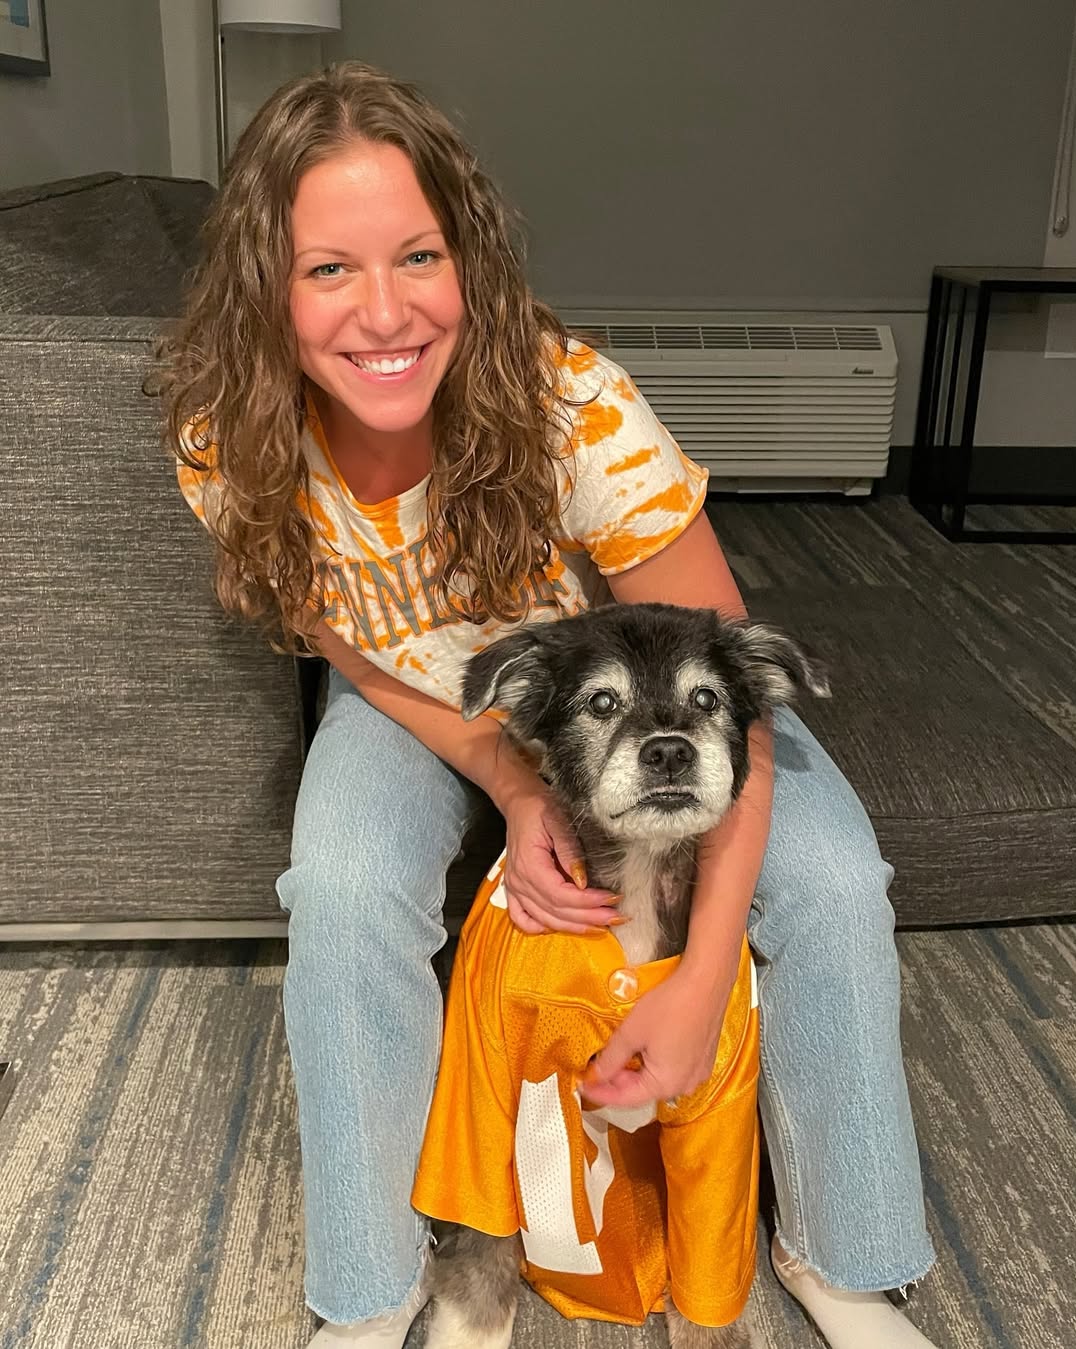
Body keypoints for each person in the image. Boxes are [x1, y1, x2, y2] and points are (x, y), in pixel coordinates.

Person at [160, 60, 941, 1349]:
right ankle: (368, 1289)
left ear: (469, 258)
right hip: (425, 696)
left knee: (840, 880)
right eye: (327, 270)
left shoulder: (576, 410)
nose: (384, 312)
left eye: (418, 255)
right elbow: (350, 648)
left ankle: (845, 1259)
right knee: (344, 881)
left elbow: (731, 684)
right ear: (265, 292)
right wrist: (516, 785)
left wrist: (696, 984)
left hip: (645, 687)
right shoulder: (225, 448)